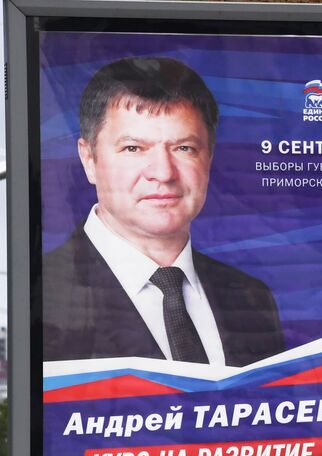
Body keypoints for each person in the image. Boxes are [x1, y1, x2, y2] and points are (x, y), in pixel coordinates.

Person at [42, 56, 284, 366]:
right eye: (134, 148)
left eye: (184, 148)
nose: (163, 172)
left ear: (208, 158)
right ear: (89, 158)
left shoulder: (252, 300)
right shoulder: (40, 295)